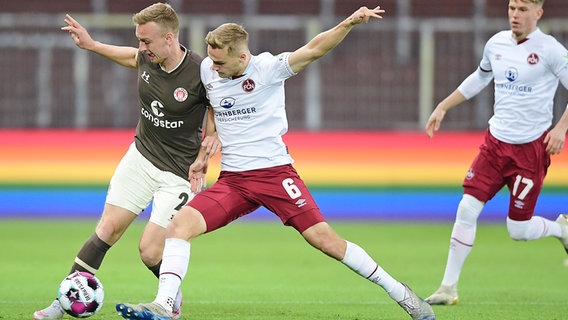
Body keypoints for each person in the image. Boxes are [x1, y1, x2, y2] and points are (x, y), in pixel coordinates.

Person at [115, 5, 436, 320]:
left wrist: (349, 23)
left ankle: (400, 292)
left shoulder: (268, 69)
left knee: (325, 241)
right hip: (234, 182)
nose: (212, 68)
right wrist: (204, 153)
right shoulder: (207, 70)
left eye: (220, 62)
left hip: (275, 175)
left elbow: (313, 49)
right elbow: (211, 107)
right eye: (210, 60)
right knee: (178, 227)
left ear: (242, 57)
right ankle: (164, 306)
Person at [33, 3, 220, 319]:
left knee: (149, 251)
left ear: (169, 38)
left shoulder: (199, 72)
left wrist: (211, 142)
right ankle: (62, 303)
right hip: (141, 157)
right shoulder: (146, 59)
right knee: (107, 229)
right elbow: (128, 56)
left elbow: (217, 106)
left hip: (179, 174)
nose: (141, 47)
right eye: (139, 40)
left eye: (146, 41)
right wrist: (91, 45)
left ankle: (169, 297)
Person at [424, 0, 568, 306]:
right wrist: (443, 106)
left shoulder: (551, 50)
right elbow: (480, 78)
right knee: (466, 208)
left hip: (530, 150)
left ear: (538, 13)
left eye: (523, 9)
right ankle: (448, 288)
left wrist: (560, 129)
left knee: (518, 230)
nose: (515, 14)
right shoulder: (496, 43)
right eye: (512, 8)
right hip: (494, 145)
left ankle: (561, 229)